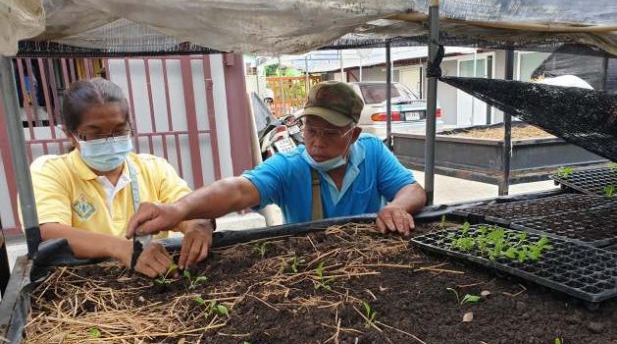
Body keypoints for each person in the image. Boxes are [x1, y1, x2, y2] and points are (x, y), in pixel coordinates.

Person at [126, 81, 426, 241]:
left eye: (331, 133)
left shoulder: (372, 151)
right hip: (314, 267)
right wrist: (178, 210)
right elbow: (238, 190)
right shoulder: (290, 165)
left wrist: (396, 208)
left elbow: (413, 190)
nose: (317, 142)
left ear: (354, 133)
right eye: (310, 130)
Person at [30, 78, 214, 278]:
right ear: (70, 135)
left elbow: (186, 207)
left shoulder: (153, 168)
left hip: (153, 278)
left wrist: (198, 225)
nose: (110, 141)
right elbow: (49, 231)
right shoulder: (51, 171)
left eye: (119, 131)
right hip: (87, 283)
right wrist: (121, 248)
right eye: (95, 134)